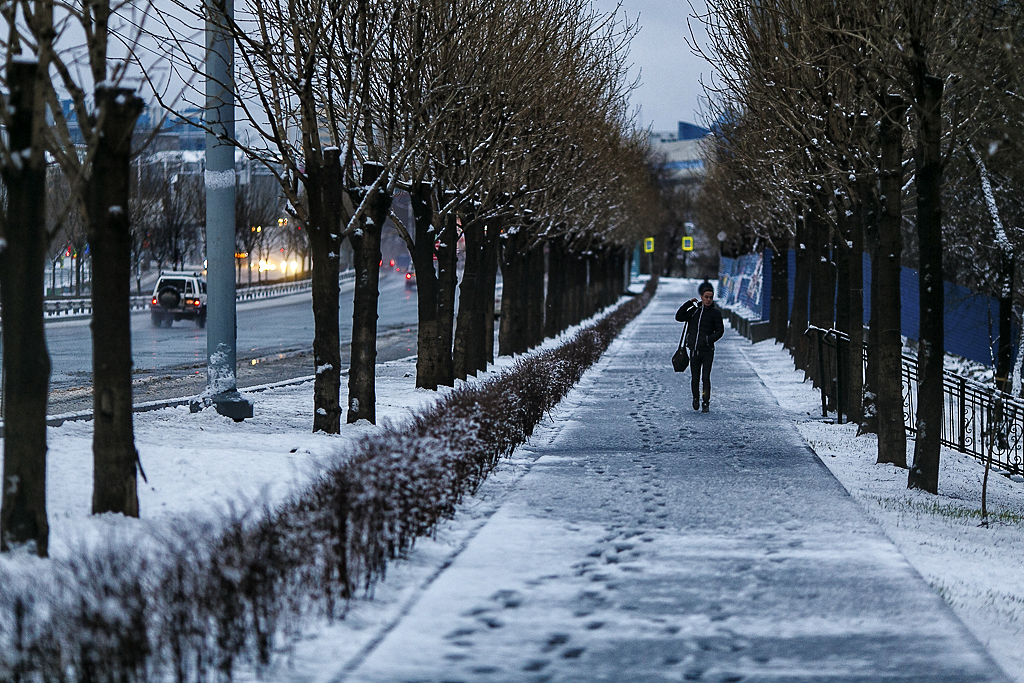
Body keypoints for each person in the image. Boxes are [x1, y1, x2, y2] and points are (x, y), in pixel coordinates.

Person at [675, 281, 725, 412]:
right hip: (694, 350)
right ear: (701, 297)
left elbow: (720, 330)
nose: (708, 300)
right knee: (695, 377)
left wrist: (708, 339)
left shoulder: (715, 313)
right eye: (706, 297)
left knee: (706, 377)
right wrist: (688, 303)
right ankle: (696, 398)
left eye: (710, 297)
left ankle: (705, 401)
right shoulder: (694, 311)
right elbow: (679, 317)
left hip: (708, 351)